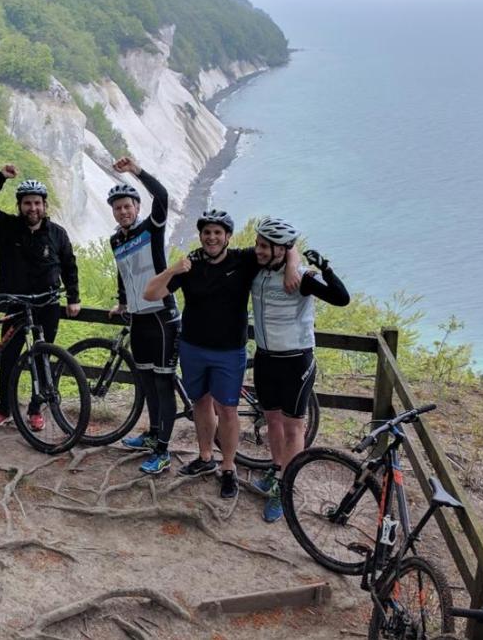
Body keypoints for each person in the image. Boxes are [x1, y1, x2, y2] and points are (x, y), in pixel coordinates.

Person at [142, 209, 299, 494]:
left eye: (217, 232)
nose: (211, 237)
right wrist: (172, 270)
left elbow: (286, 245)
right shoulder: (191, 263)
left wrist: (292, 267)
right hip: (192, 347)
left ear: (227, 236)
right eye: (207, 232)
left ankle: (228, 466)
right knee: (200, 403)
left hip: (229, 351)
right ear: (200, 236)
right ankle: (205, 457)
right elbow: (150, 294)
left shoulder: (244, 259)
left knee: (227, 409)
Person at [249, 217, 350, 522]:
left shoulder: (302, 278)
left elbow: (341, 299)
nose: (259, 250)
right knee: (272, 422)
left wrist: (325, 269)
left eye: (265, 246)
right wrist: (290, 256)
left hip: (296, 361)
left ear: (281, 249)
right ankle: (276, 469)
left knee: (294, 427)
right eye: (258, 243)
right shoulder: (255, 269)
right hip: (266, 358)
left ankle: (286, 487)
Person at [0, 165, 81, 431]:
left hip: (47, 306)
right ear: (19, 205)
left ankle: (35, 409)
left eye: (37, 203)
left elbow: (69, 265)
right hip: (16, 305)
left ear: (44, 205)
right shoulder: (6, 227)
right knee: (8, 360)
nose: (32, 208)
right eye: (27, 203)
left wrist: (74, 297)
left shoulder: (57, 234)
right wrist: (0, 178)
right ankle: (4, 409)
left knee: (42, 360)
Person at [106, 157, 182, 475]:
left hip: (162, 318)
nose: (123, 211)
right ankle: (153, 435)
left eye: (128, 206)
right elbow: (124, 273)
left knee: (164, 384)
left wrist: (137, 171)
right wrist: (123, 302)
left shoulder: (152, 229)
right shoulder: (115, 240)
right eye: (118, 208)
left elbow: (162, 196)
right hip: (138, 319)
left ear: (137, 207)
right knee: (148, 383)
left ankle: (163, 450)